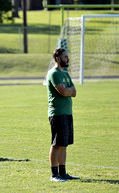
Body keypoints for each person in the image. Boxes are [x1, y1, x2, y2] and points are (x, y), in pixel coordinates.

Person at [46, 48, 80, 182]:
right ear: (58, 59)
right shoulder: (54, 73)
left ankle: (63, 173)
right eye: (65, 57)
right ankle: (54, 175)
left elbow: (74, 92)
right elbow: (64, 92)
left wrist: (69, 90)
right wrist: (68, 90)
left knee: (64, 144)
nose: (68, 59)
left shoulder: (65, 74)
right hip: (57, 113)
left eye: (68, 56)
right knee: (56, 144)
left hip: (67, 113)